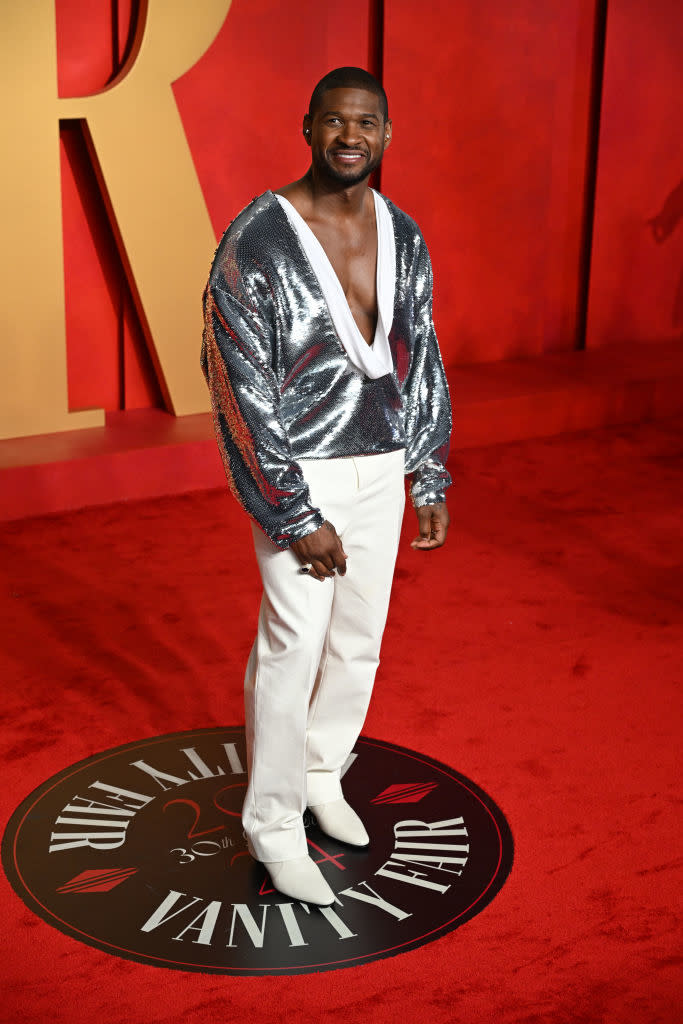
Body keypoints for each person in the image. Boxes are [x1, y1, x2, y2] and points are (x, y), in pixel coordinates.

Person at [201, 67, 452, 906]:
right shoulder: (257, 240)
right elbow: (240, 387)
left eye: (368, 123)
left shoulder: (403, 233)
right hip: (299, 471)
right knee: (291, 646)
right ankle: (271, 825)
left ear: (388, 133)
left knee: (358, 639)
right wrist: (291, 510)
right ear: (306, 128)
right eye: (336, 122)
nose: (352, 137)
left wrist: (428, 468)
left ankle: (319, 772)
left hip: (380, 465)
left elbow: (420, 351)